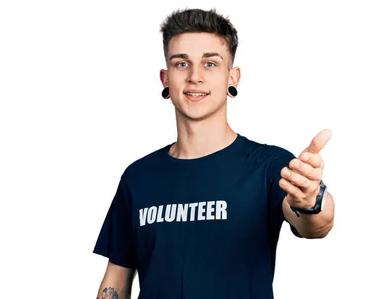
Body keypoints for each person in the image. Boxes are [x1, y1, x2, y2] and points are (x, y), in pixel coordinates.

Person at [93, 7, 335, 299]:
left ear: (232, 77)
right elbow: (114, 282)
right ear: (165, 79)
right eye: (181, 64)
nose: (195, 77)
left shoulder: (269, 166)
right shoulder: (137, 177)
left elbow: (316, 225)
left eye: (210, 64)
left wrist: (311, 201)